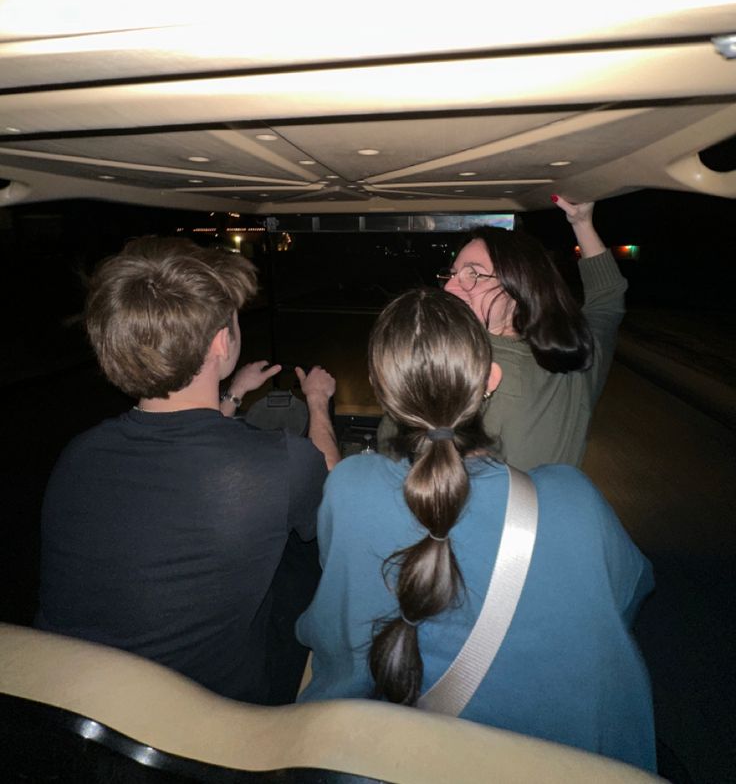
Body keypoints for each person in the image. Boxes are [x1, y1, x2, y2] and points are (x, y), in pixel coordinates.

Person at [297, 288, 656, 772]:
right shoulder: (573, 498)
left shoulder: (351, 488)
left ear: (381, 390)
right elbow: (626, 598)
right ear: (490, 380)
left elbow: (333, 632)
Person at [37, 237, 339, 704]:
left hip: (73, 706)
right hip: (209, 715)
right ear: (222, 341)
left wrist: (233, 396)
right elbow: (338, 488)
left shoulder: (80, 453)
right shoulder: (280, 465)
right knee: (310, 556)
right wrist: (318, 402)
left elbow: (182, 447)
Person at [378, 197, 627, 469]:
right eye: (452, 274)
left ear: (517, 289)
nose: (450, 288)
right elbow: (608, 301)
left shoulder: (456, 368)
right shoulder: (576, 360)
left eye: (473, 275)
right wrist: (582, 224)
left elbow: (394, 456)